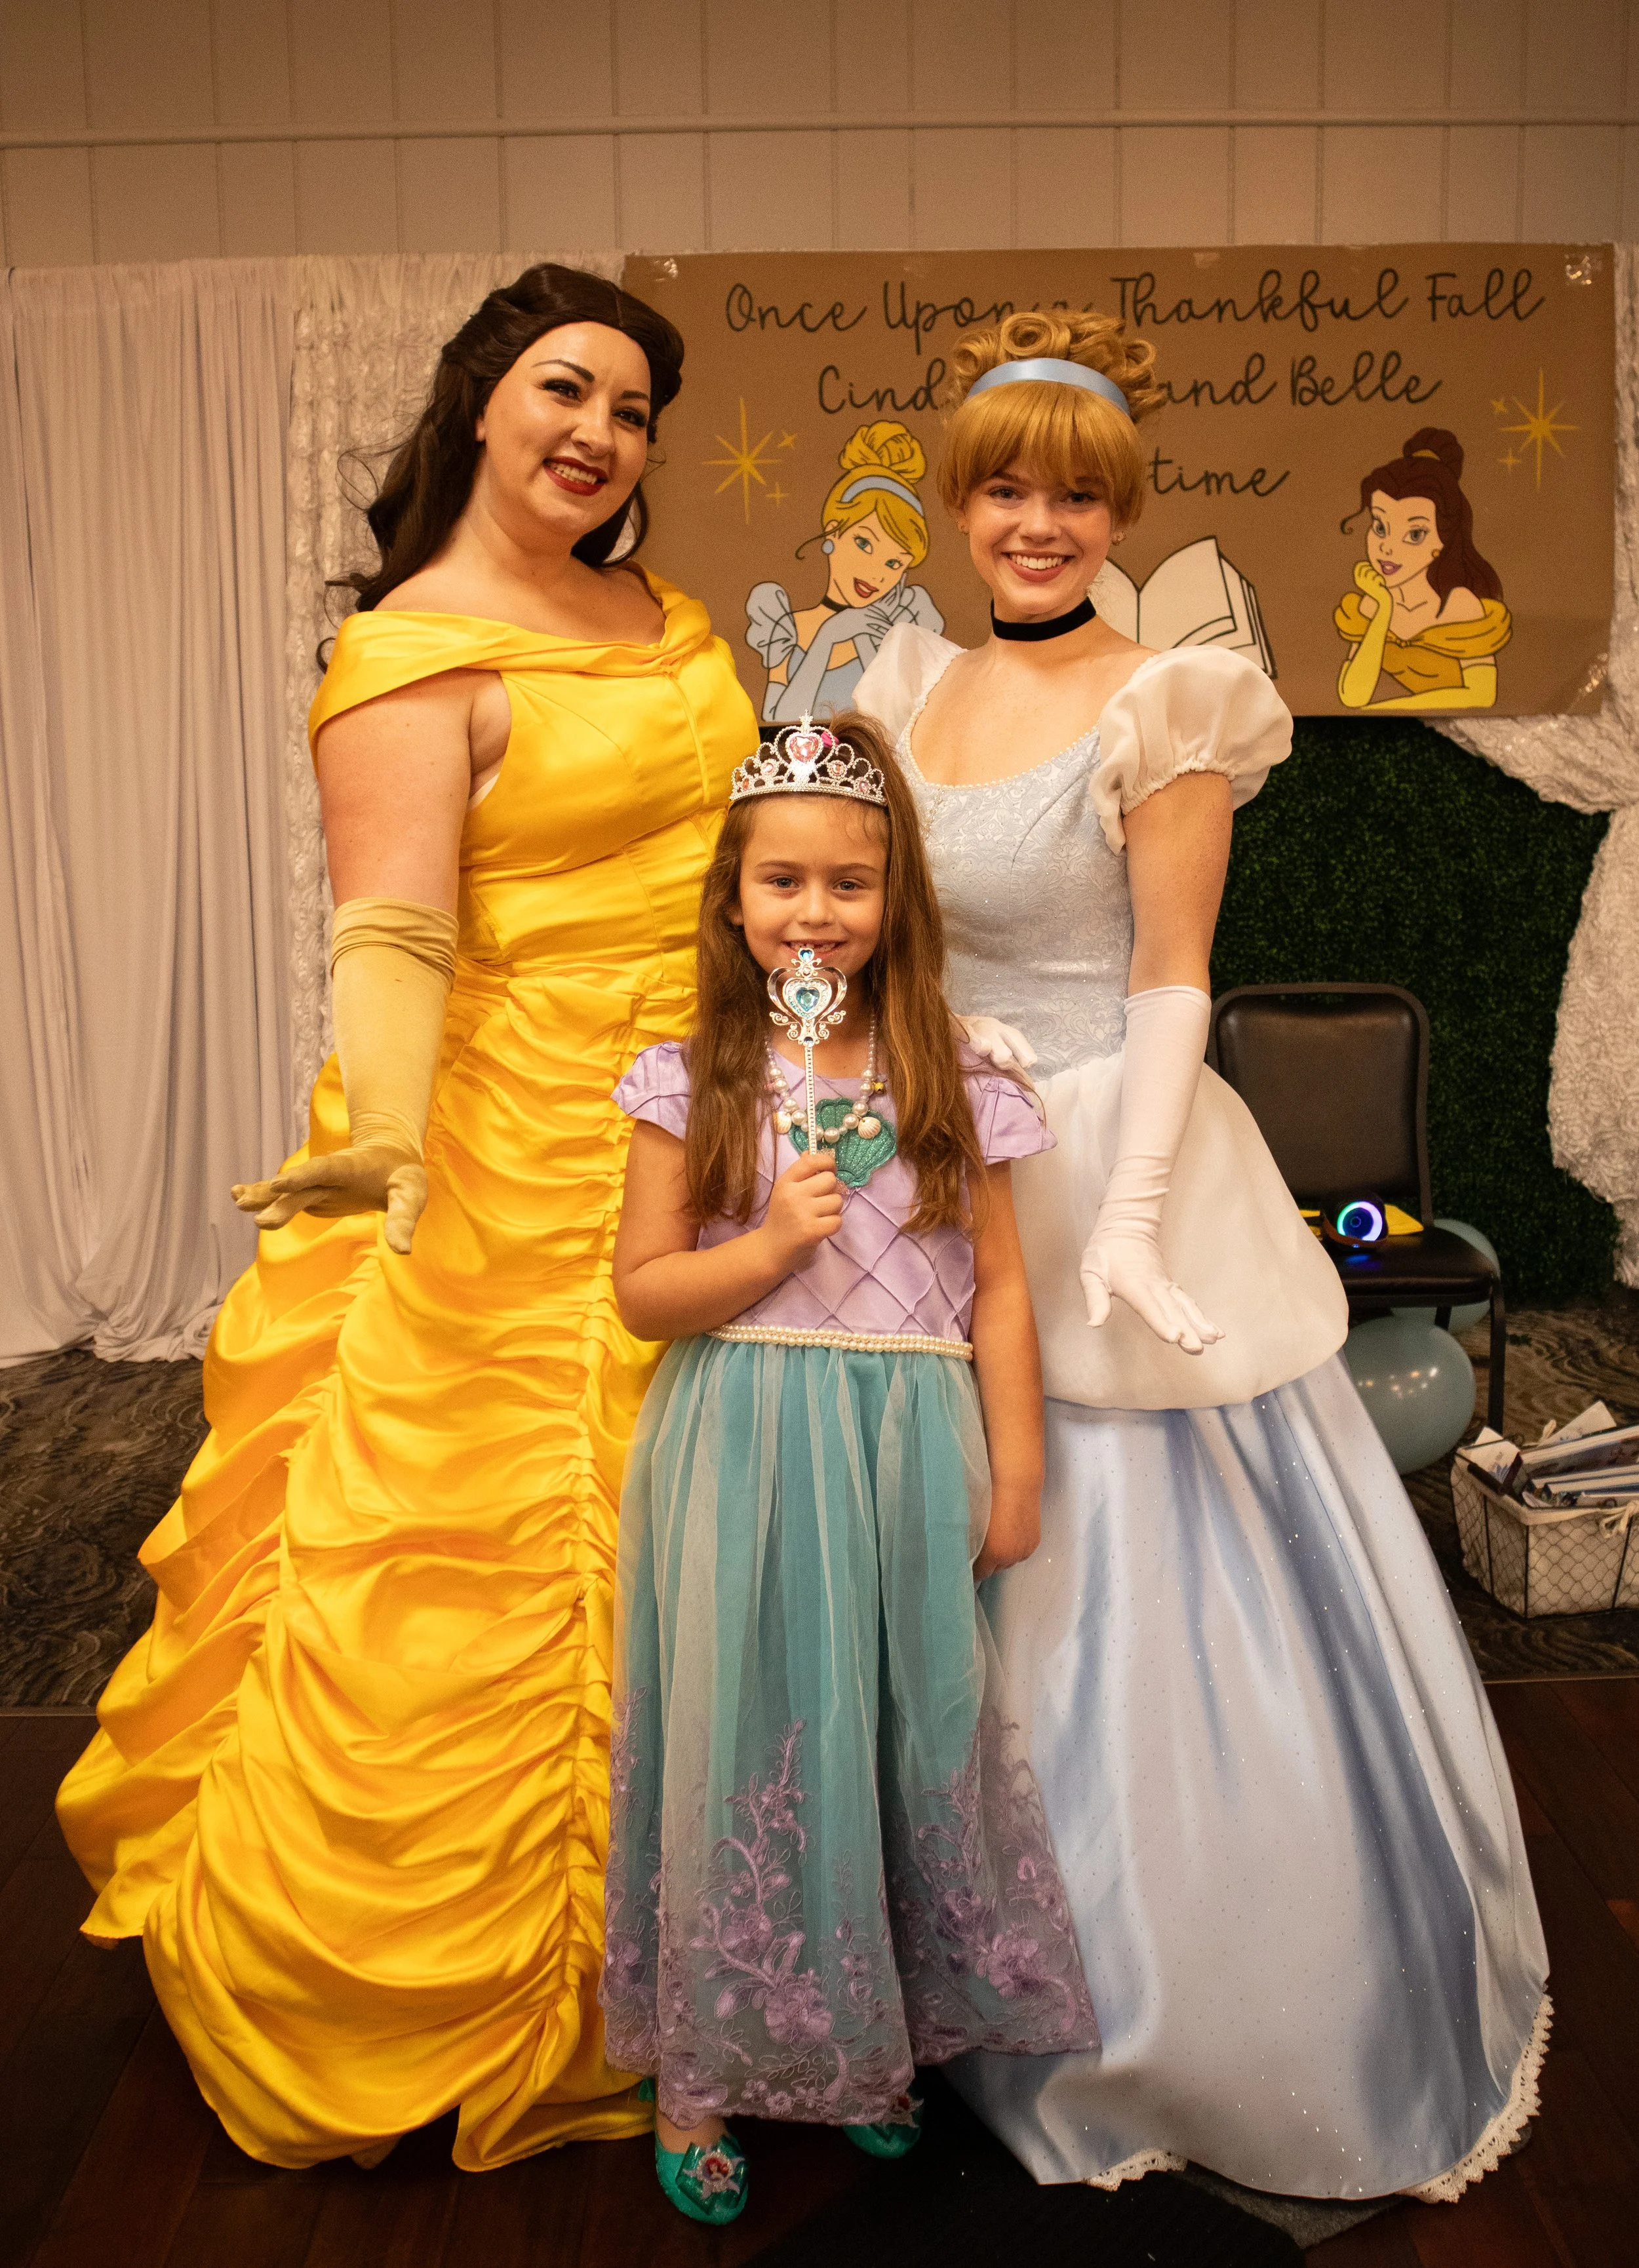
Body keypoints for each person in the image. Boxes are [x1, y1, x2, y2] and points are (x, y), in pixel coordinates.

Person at [56, 264, 759, 2172]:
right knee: (485, 1573)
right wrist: (379, 1150)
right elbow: (390, 934)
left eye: (626, 408)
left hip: (709, 1130)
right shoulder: (411, 655)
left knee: (720, 1549)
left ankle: (727, 1968)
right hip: (501, 1161)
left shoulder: (657, 613)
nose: (596, 434)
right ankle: (472, 1986)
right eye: (562, 388)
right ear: (475, 400)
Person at [856, 311, 1550, 2203]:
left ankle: (1174, 2013)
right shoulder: (897, 683)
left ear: (1114, 510)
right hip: (931, 1167)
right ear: (958, 500)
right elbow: (840, 912)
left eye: (1072, 493)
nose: (1034, 522)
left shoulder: (1171, 695)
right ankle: (923, 1990)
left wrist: (1134, 1220)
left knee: (1125, 1588)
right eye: (1003, 485)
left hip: (1105, 1158)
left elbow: (1171, 974)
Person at [599, 713, 1097, 2225]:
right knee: (741, 1745)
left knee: (893, 1743)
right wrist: (762, 1245)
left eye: (850, 885)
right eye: (784, 883)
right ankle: (701, 2068)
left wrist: (1013, 1476)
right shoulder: (694, 1077)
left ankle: (864, 2051)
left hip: (905, 1448)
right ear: (733, 901)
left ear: (898, 903)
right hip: (743, 1447)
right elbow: (641, 1292)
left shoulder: (949, 1070)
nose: (816, 912)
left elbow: (998, 1289)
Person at [747, 420, 944, 722]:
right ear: (833, 533)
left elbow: (899, 728)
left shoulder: (899, 636)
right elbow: (780, 723)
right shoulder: (786, 628)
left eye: (894, 563)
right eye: (865, 543)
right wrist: (828, 636)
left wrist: (867, 634)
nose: (877, 575)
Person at [1335, 427, 1511, 711]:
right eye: (1380, 527)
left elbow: (1482, 695)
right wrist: (1383, 609)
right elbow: (1352, 697)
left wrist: (1384, 709)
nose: (1387, 548)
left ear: (1441, 541)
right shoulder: (1372, 604)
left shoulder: (1459, 606)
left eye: (1415, 534)